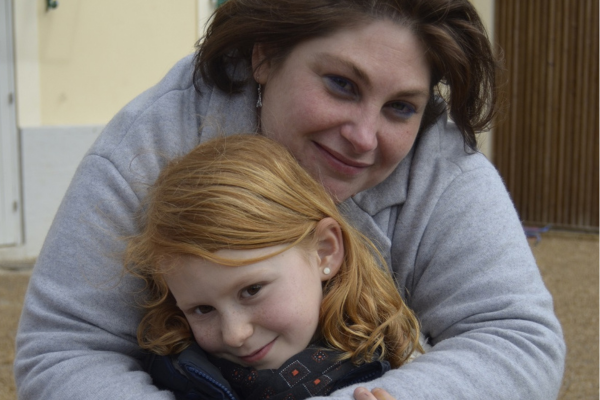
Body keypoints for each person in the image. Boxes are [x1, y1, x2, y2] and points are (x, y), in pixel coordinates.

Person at [14, 1, 565, 399]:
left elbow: (517, 337)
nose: (364, 138)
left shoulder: (442, 167)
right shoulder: (147, 148)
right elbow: (63, 350)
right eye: (342, 84)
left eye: (401, 107)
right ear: (265, 56)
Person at [124, 134, 424, 399]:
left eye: (252, 290)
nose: (234, 335)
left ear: (324, 251)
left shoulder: (401, 368)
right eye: (203, 309)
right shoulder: (172, 379)